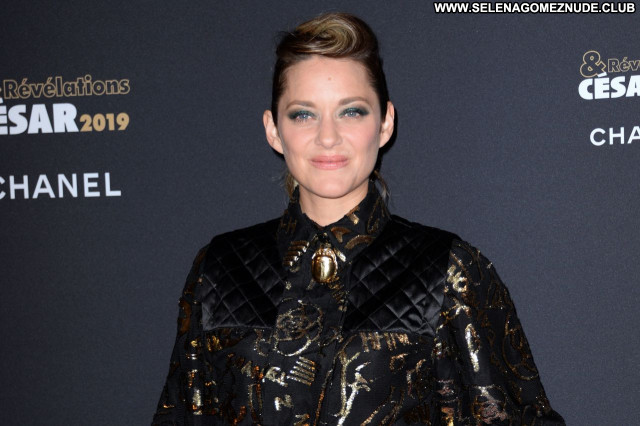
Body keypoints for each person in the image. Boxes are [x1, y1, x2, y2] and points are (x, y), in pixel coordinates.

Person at [152, 12, 565, 426]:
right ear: (273, 129)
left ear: (385, 123)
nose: (327, 137)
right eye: (303, 114)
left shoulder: (447, 270)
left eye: (351, 112)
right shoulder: (220, 268)